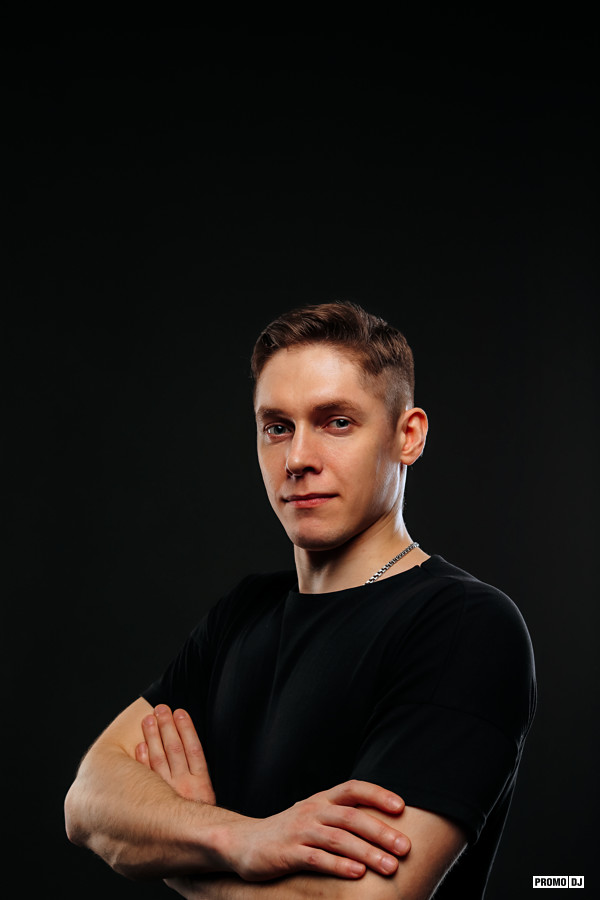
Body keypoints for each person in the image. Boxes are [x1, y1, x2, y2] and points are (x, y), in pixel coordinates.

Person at [65, 301, 536, 899]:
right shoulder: (243, 614)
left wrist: (185, 860)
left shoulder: (464, 626)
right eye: (277, 427)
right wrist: (239, 839)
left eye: (336, 422)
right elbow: (88, 801)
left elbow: (364, 897)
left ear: (407, 436)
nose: (297, 459)